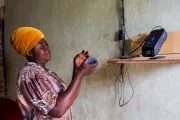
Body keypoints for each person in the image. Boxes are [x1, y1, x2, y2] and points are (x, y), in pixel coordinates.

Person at [10, 27, 98, 120]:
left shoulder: (47, 73)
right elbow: (58, 110)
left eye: (46, 44)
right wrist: (81, 74)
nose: (46, 48)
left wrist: (77, 69)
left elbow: (67, 99)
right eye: (41, 46)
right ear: (29, 52)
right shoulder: (29, 75)